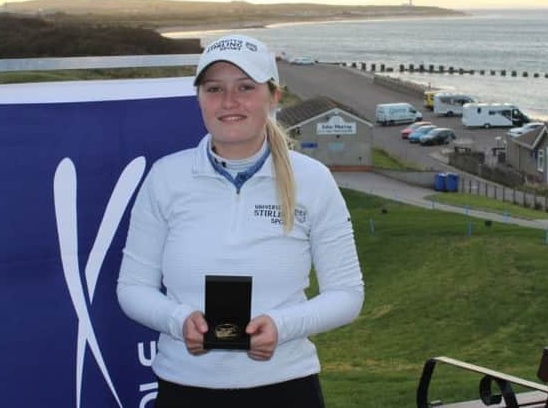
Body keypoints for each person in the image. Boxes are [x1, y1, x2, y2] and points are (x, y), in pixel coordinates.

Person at [117, 34, 364, 408]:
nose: (229, 102)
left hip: (287, 388)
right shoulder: (165, 177)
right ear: (199, 97)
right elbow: (132, 288)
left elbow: (347, 295)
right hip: (184, 389)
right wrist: (178, 320)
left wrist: (282, 327)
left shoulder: (312, 180)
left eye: (245, 87)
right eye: (214, 88)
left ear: (274, 96)